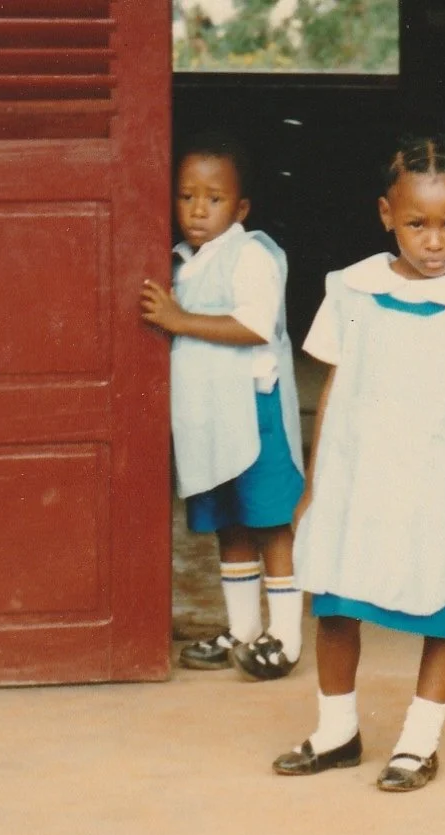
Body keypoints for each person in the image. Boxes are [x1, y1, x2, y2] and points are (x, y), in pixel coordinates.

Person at [275, 134, 445, 791]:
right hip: (359, 483)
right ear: (387, 214)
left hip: (441, 491)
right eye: (417, 224)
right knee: (335, 600)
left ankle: (419, 743)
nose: (434, 242)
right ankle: (337, 733)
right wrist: (315, 482)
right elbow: (333, 388)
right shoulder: (351, 291)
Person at [140, 131, 305, 681]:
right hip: (209, 420)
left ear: (241, 208)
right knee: (230, 525)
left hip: (254, 414)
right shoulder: (181, 261)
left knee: (271, 522)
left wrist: (179, 321)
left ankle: (285, 637)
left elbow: (256, 326)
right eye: (187, 196)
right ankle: (242, 631)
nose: (198, 209)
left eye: (213, 199)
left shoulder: (251, 254)